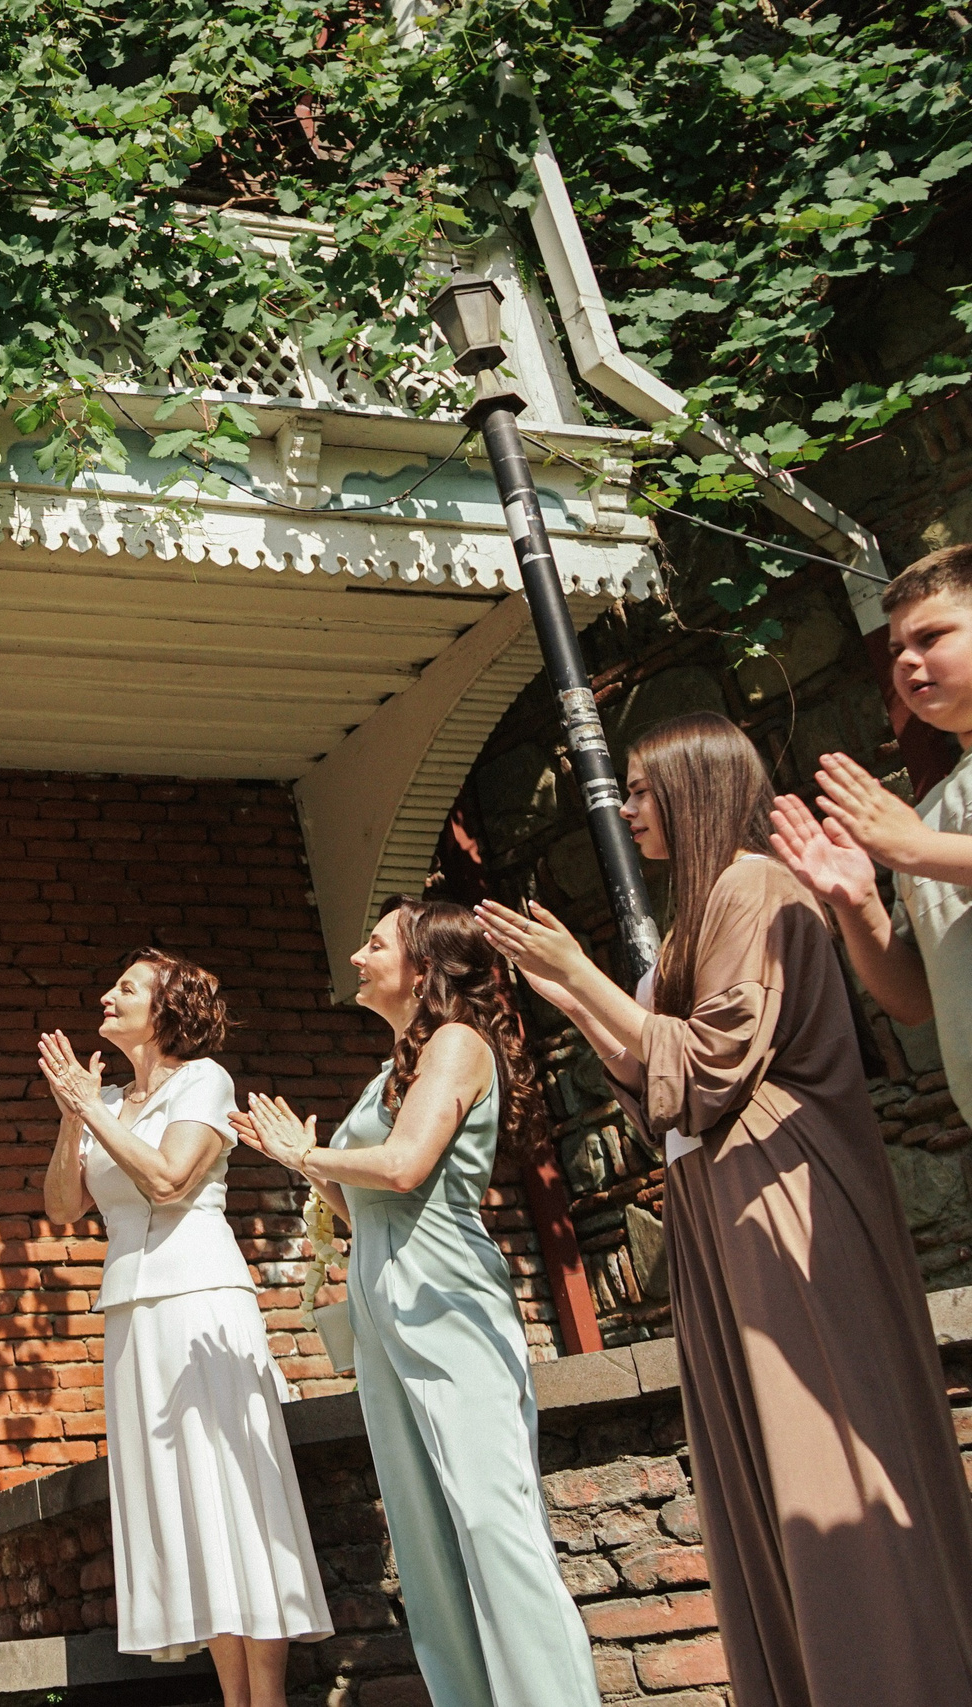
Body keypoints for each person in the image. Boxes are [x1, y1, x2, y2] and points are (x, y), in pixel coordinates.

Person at [485, 711, 972, 1706]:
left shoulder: (751, 886)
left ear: (694, 789)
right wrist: (572, 996)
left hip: (781, 1193)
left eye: (640, 788)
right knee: (762, 1471)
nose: (624, 808)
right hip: (725, 1192)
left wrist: (582, 976)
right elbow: (664, 1073)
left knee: (818, 1457)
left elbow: (707, 1068)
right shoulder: (705, 906)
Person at [237, 899, 598, 1707]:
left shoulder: (457, 1045)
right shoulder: (393, 1065)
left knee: (490, 1523)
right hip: (381, 1302)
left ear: (424, 967)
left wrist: (311, 1147)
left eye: (374, 945)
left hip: (444, 1294)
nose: (358, 958)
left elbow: (405, 1166)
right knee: (425, 1539)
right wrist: (302, 1165)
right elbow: (367, 1196)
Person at [37, 952, 329, 1704]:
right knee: (186, 1506)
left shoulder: (206, 1079)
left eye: (126, 987)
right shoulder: (103, 1098)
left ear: (169, 1008)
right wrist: (76, 1114)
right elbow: (64, 1207)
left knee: (232, 1494)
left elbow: (169, 1183)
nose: (106, 994)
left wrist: (93, 1108)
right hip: (133, 1316)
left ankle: (266, 1698)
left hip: (200, 1302)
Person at [771, 546, 972, 1106]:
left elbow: (920, 849)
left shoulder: (917, 834)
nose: (905, 661)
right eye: (896, 649)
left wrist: (915, 850)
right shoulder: (929, 812)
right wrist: (858, 906)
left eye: (930, 638)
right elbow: (914, 1002)